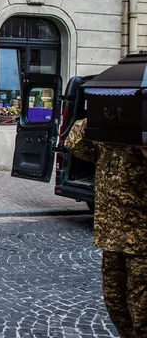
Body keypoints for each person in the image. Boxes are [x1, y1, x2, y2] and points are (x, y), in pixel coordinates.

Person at [65, 118, 147, 337]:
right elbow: (74, 143)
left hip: (141, 239)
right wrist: (100, 116)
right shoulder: (107, 128)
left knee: (142, 307)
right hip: (112, 233)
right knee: (115, 301)